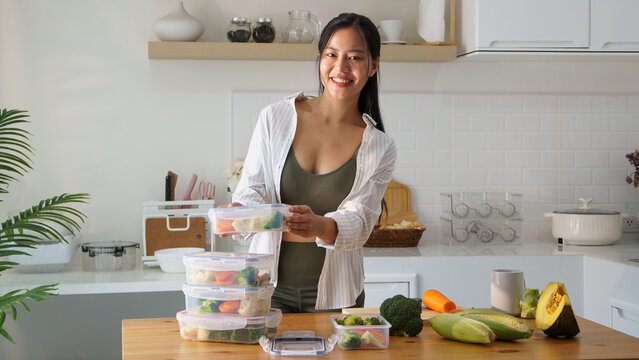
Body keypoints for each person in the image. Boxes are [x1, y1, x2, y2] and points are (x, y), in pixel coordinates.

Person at [230, 13, 397, 312]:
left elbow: (359, 224)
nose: (340, 68)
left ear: (373, 66)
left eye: (355, 58)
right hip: (267, 290)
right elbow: (250, 190)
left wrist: (318, 225)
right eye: (331, 55)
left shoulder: (379, 147)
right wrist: (240, 212)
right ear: (320, 59)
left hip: (339, 295)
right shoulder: (275, 118)